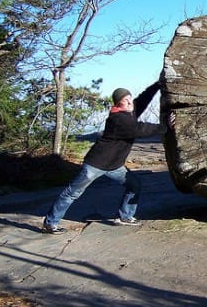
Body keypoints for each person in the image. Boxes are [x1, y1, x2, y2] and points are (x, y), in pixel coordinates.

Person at [42, 81, 175, 234]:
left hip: (114, 166)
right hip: (95, 164)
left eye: (129, 98)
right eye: (125, 100)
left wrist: (156, 86)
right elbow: (139, 129)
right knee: (72, 193)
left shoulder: (128, 111)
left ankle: (124, 216)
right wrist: (165, 126)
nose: (129, 101)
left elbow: (143, 99)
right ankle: (51, 223)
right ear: (118, 104)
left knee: (134, 185)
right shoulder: (118, 119)